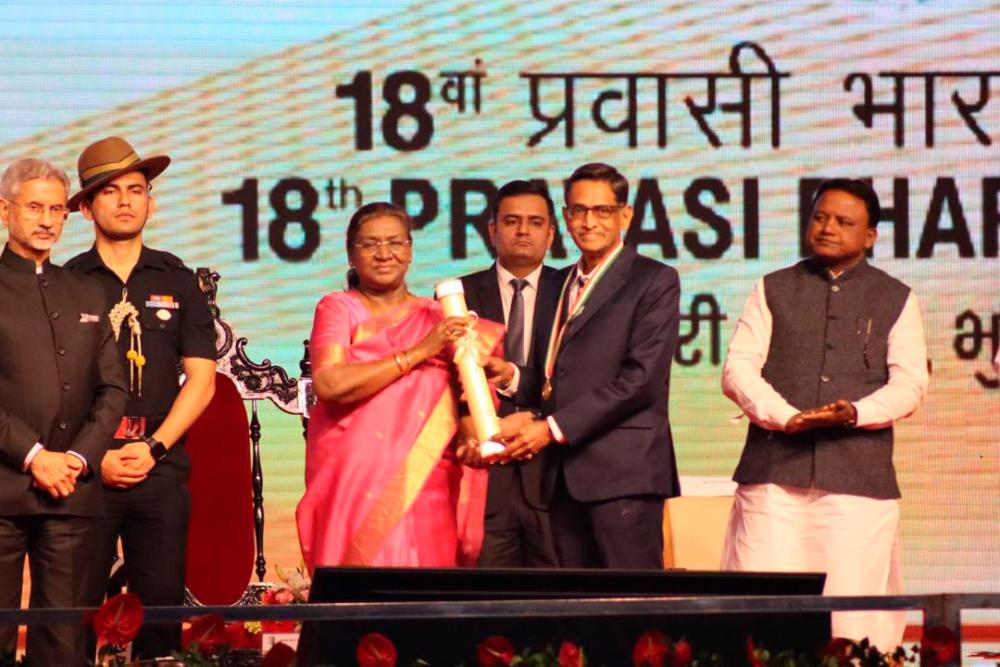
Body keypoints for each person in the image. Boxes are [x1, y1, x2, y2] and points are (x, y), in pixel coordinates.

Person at [720, 178, 929, 650]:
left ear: (870, 236)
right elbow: (737, 369)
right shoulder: (772, 287)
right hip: (773, 481)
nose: (827, 228)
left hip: (857, 487)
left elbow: (911, 384)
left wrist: (854, 412)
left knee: (852, 621)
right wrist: (784, 416)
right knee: (760, 619)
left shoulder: (895, 297)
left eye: (842, 221)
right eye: (819, 217)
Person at [65, 137, 217, 659]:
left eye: (137, 189)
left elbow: (201, 379)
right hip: (85, 470)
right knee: (76, 610)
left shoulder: (179, 279)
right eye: (110, 192)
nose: (126, 201)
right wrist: (95, 455)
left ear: (151, 200)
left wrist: (154, 449)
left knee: (161, 610)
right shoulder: (65, 284)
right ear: (86, 207)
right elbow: (51, 387)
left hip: (160, 468)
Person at [296, 202, 502, 570]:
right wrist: (421, 351)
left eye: (395, 242)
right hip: (356, 478)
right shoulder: (338, 308)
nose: (384, 253)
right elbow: (329, 384)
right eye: (370, 244)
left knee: (424, 594)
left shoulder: (441, 316)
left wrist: (473, 420)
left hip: (428, 481)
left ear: (410, 250)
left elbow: (470, 393)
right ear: (350, 253)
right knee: (360, 593)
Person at [499, 163, 681, 569]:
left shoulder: (654, 280)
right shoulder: (556, 283)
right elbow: (555, 380)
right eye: (578, 211)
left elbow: (640, 381)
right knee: (576, 611)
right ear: (565, 217)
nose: (588, 221)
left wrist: (550, 429)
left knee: (632, 612)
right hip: (562, 479)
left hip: (624, 475)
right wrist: (510, 376)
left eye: (602, 211)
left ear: (625, 215)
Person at [0, 158, 127, 664]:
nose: (48, 220)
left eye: (57, 209)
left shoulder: (87, 288)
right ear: (5, 210)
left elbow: (113, 389)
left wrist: (75, 458)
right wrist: (34, 456)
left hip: (72, 490)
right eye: (34, 207)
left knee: (65, 641)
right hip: (4, 485)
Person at [459, 180, 561, 567]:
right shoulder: (459, 297)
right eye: (512, 221)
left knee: (559, 613)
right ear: (492, 230)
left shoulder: (572, 291)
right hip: (485, 480)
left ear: (551, 233)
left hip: (555, 480)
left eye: (535, 222)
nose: (523, 231)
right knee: (484, 611)